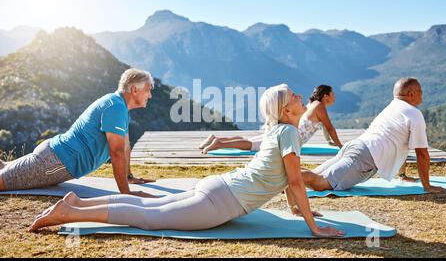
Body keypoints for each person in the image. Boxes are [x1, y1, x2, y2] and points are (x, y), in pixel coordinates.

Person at [28, 84, 345, 238]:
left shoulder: (280, 130)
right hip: (223, 199)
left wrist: (294, 208)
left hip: (220, 188)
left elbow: (286, 178)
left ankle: (77, 204)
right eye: (295, 98)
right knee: (149, 218)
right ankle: (69, 211)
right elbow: (292, 179)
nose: (303, 98)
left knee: (149, 208)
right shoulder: (288, 134)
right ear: (286, 110)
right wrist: (313, 227)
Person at [0, 69, 156, 197]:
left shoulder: (119, 105)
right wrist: (126, 193)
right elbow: (116, 152)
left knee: (4, 167)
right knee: (3, 181)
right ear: (135, 89)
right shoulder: (116, 108)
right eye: (148, 90)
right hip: (56, 162)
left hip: (54, 155)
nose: (150, 95)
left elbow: (125, 146)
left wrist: (128, 177)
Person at [301, 78, 446, 194]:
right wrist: (427, 186)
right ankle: (281, 180)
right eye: (420, 91)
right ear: (412, 94)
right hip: (365, 157)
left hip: (355, 146)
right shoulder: (414, 114)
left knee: (312, 175)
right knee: (319, 183)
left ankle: (284, 179)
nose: (422, 94)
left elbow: (401, 146)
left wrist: (402, 175)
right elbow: (421, 154)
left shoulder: (392, 107)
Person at [199, 85, 343, 153]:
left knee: (252, 141)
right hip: (287, 136)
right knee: (252, 145)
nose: (334, 97)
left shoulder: (312, 105)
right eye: (332, 94)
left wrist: (330, 141)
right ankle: (219, 144)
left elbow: (324, 128)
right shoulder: (319, 107)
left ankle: (215, 138)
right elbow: (329, 127)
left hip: (284, 130)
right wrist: (340, 146)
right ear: (325, 96)